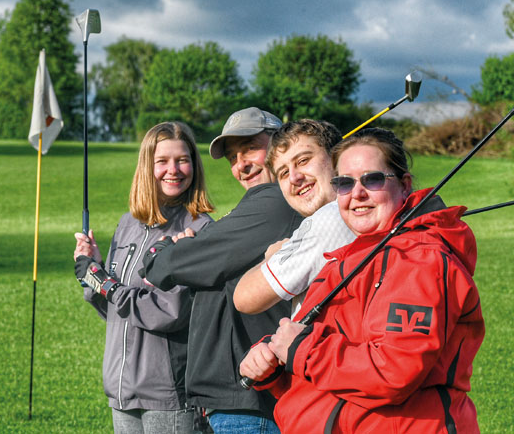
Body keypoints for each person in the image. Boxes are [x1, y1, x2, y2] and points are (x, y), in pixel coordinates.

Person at [240, 128, 485, 433]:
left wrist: (301, 348)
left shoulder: (419, 261)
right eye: (344, 183)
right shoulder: (351, 256)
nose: (357, 193)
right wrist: (275, 360)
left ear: (404, 185)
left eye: (372, 179)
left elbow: (394, 372)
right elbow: (327, 365)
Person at [139, 107, 303, 434]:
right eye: (232, 157)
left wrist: (166, 248)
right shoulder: (264, 204)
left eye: (251, 148)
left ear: (281, 143)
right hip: (240, 399)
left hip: (250, 403)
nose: (241, 164)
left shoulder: (273, 202)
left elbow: (165, 266)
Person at [73, 122, 214, 434]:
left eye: (183, 159)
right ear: (146, 166)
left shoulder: (199, 229)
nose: (173, 170)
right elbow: (115, 309)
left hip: (168, 393)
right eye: (162, 161)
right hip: (121, 389)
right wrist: (94, 273)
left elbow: (169, 311)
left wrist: (103, 282)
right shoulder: (128, 224)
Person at [233, 119, 355, 318]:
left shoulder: (332, 217)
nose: (294, 178)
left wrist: (271, 257)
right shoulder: (359, 211)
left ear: (337, 159)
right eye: (283, 173)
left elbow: (245, 298)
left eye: (303, 161)